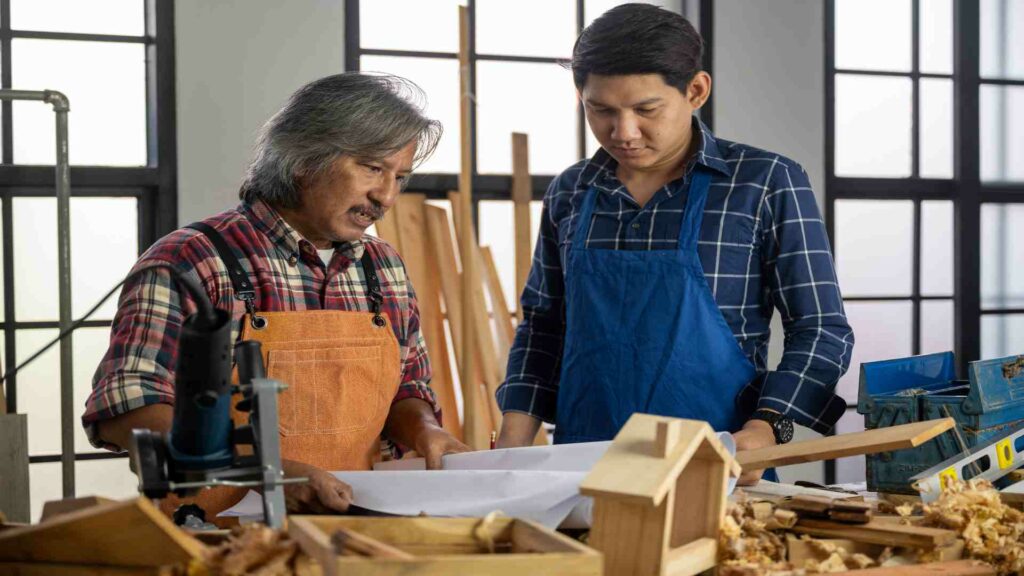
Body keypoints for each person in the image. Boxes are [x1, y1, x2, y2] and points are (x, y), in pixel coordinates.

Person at [495, 4, 854, 485]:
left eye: (646, 110)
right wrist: (512, 442)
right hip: (579, 470)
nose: (622, 133)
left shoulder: (764, 182)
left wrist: (768, 430)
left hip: (717, 469)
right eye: (600, 110)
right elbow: (544, 327)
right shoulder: (571, 191)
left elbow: (822, 331)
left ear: (696, 90)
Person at [83, 73, 469, 517]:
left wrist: (423, 429)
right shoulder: (193, 261)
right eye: (372, 168)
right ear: (304, 159)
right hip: (220, 537)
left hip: (359, 529)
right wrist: (266, 473)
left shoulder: (383, 268)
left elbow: (408, 385)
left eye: (400, 176)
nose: (385, 196)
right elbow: (127, 408)